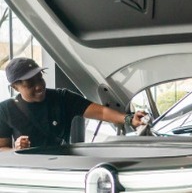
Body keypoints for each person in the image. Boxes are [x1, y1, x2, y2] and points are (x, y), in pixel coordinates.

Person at [0, 58, 147, 151]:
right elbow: (2, 148)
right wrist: (16, 148)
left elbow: (101, 112)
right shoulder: (5, 109)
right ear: (15, 87)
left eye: (40, 78)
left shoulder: (62, 97)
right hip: (31, 175)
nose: (39, 86)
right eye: (30, 83)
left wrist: (129, 119)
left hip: (63, 168)